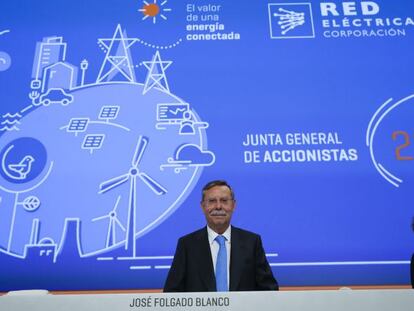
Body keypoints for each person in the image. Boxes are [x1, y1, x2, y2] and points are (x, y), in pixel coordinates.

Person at [163, 180, 278, 292]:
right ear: (203, 206)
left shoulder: (252, 242)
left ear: (233, 205)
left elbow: (269, 290)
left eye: (224, 200)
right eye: (212, 201)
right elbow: (172, 294)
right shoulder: (187, 245)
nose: (218, 206)